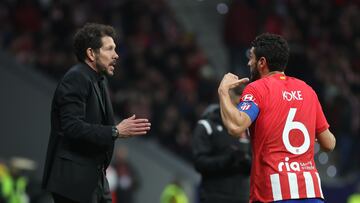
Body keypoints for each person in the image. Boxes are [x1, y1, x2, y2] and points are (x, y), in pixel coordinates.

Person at [218, 33, 336, 203]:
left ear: (262, 62)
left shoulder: (257, 89)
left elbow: (236, 127)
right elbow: (329, 143)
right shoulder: (307, 90)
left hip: (273, 193)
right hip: (311, 193)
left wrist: (223, 91)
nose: (248, 62)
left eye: (251, 58)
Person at [42, 23, 151, 203]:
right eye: (109, 49)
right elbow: (72, 127)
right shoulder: (76, 77)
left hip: (95, 180)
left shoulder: (99, 81)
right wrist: (115, 131)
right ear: (91, 53)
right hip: (73, 183)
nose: (116, 55)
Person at [192, 87, 251, 203]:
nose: (241, 101)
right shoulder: (207, 126)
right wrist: (227, 160)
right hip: (214, 197)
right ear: (225, 97)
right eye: (238, 95)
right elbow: (199, 163)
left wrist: (246, 160)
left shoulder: (249, 130)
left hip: (242, 199)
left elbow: (258, 166)